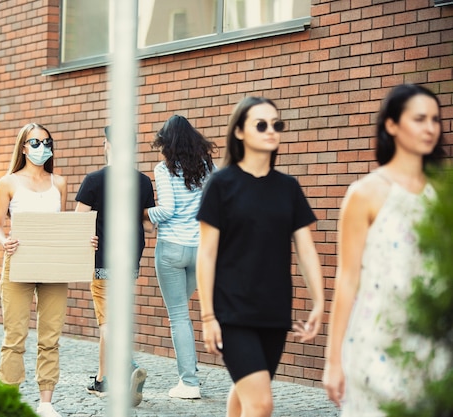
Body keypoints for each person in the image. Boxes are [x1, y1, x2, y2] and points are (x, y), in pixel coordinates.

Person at [196, 96, 325, 417]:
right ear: (239, 131)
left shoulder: (288, 188)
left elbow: (306, 249)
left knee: (244, 395)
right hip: (232, 311)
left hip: (273, 311)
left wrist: (320, 302)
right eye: (261, 124)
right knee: (261, 403)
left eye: (276, 124)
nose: (271, 131)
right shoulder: (221, 184)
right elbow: (207, 254)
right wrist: (208, 316)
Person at [323, 84, 447, 415]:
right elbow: (346, 279)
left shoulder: (443, 193)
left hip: (432, 343)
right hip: (375, 342)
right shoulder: (365, 193)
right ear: (392, 125)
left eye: (435, 119)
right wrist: (333, 360)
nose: (430, 127)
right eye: (419, 118)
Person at [0, 122, 68, 417]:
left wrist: (82, 238)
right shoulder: (8, 182)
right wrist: (4, 241)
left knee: (50, 337)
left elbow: (62, 226)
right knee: (15, 336)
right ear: (23, 147)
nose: (42, 148)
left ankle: (46, 403)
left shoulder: (58, 182)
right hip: (18, 261)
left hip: (53, 264)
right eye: (35, 143)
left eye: (47, 142)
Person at [74, 126, 156, 406]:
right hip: (130, 260)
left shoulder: (94, 180)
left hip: (103, 260)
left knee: (107, 322)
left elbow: (78, 222)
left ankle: (128, 368)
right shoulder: (144, 181)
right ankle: (102, 380)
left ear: (106, 144)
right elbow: (147, 221)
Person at [145, 115, 216, 399]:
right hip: (200, 250)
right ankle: (190, 381)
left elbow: (168, 209)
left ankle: (189, 383)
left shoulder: (164, 169)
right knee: (183, 313)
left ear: (166, 143)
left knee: (178, 316)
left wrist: (145, 213)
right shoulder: (210, 168)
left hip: (172, 249)